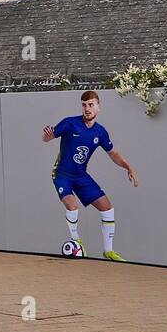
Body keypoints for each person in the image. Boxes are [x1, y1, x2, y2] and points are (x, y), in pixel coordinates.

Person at [43, 90, 138, 261]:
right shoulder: (70, 123)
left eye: (91, 105)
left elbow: (113, 153)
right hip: (62, 174)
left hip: (81, 175)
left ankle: (108, 251)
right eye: (84, 105)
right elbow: (47, 137)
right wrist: (47, 136)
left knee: (108, 208)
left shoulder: (100, 132)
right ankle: (76, 242)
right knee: (72, 207)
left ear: (98, 107)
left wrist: (128, 167)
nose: (87, 109)